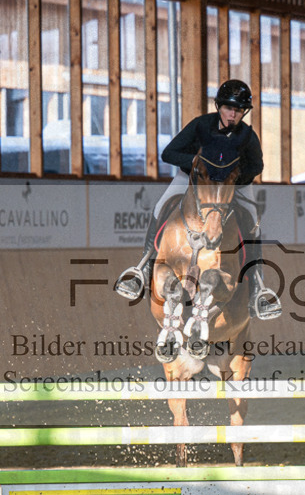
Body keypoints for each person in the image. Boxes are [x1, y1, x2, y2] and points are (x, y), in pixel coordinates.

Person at [113, 79, 281, 320]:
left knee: (253, 219)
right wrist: (194, 164)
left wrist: (231, 180)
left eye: (238, 110)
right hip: (193, 178)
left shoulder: (247, 134)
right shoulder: (201, 125)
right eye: (228, 108)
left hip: (231, 186)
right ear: (218, 106)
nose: (232, 114)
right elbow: (168, 152)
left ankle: (257, 287)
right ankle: (142, 267)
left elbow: (257, 165)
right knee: (162, 205)